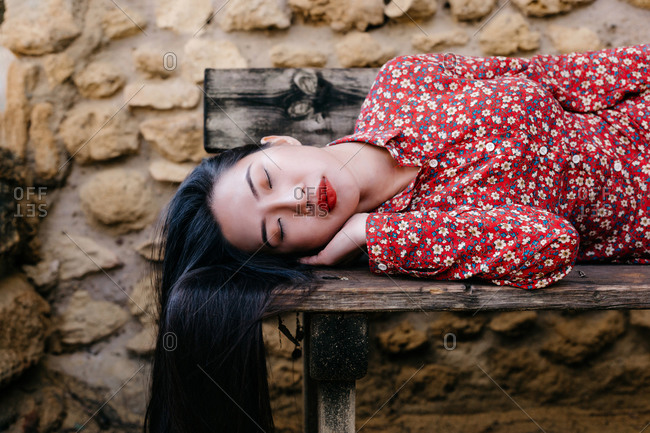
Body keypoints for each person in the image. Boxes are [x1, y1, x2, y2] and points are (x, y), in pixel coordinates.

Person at [143, 44, 650, 433]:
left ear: (279, 142)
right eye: (278, 229)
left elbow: (562, 76)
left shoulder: (405, 80)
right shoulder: (417, 234)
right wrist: (373, 231)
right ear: (300, 252)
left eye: (268, 180)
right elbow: (552, 246)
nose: (294, 201)